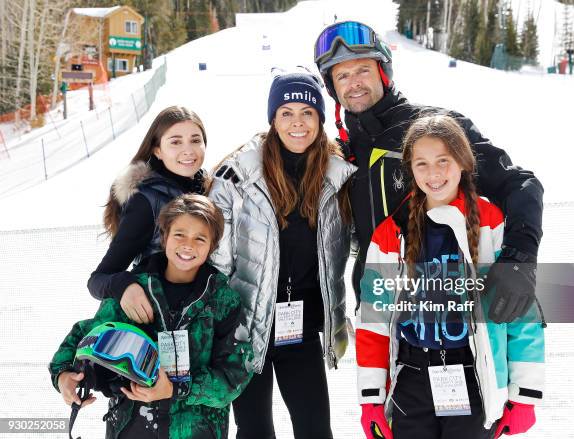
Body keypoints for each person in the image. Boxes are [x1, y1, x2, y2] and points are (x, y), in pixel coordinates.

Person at [313, 21, 544, 324]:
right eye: (342, 75)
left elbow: (519, 184)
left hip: (452, 316)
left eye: (363, 70)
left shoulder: (436, 129)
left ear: (383, 71)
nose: (353, 82)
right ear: (333, 87)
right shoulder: (342, 155)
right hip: (382, 315)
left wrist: (520, 258)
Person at [355, 115, 545, 439]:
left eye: (443, 161)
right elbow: (373, 321)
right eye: (422, 164)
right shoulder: (390, 234)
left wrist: (524, 395)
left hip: (474, 378)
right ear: (410, 169)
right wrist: (371, 399)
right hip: (412, 380)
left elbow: (521, 314)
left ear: (463, 161)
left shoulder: (492, 224)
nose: (434, 174)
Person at [208, 69, 356, 439]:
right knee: (255, 431)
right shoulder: (237, 176)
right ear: (272, 119)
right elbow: (215, 260)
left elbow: (354, 242)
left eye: (307, 113)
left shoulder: (337, 178)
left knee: (315, 430)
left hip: (301, 328)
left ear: (320, 119)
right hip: (245, 329)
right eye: (286, 112)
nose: (297, 123)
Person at [49, 194, 254, 439]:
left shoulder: (223, 300)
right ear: (164, 236)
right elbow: (85, 335)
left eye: (200, 238)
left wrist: (177, 388)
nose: (188, 245)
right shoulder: (134, 289)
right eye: (179, 234)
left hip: (196, 431)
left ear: (212, 245)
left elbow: (235, 375)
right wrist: (63, 375)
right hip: (131, 427)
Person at [88, 106, 209, 325]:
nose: (188, 150)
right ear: (157, 150)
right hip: (159, 323)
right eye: (175, 142)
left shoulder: (210, 190)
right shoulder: (147, 201)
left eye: (195, 140)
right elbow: (98, 279)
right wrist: (125, 286)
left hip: (202, 322)